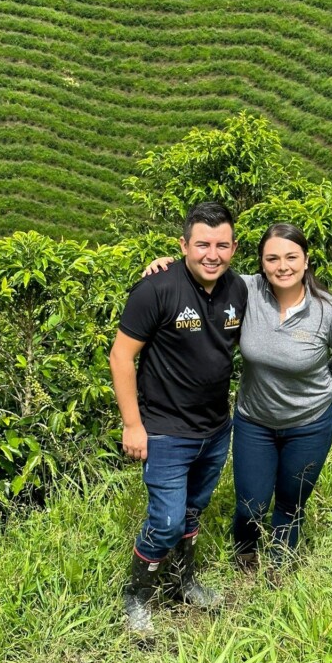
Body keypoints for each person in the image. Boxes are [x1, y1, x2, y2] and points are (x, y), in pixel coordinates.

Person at [145, 222, 332, 570]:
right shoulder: (246, 290)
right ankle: (245, 552)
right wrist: (165, 265)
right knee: (250, 503)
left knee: (291, 500)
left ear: (306, 261)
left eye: (291, 257)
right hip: (255, 421)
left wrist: (315, 386)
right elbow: (205, 270)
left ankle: (280, 562)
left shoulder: (331, 313)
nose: (282, 266)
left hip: (310, 423)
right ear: (261, 263)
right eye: (272, 258)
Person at [109, 201, 247, 639]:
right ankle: (138, 592)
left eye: (222, 245)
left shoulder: (238, 289)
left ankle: (183, 582)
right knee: (166, 520)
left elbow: (284, 279)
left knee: (192, 511)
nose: (212, 254)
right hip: (166, 430)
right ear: (183, 245)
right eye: (202, 244)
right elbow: (121, 356)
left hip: (215, 427)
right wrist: (133, 425)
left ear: (234, 248)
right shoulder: (156, 288)